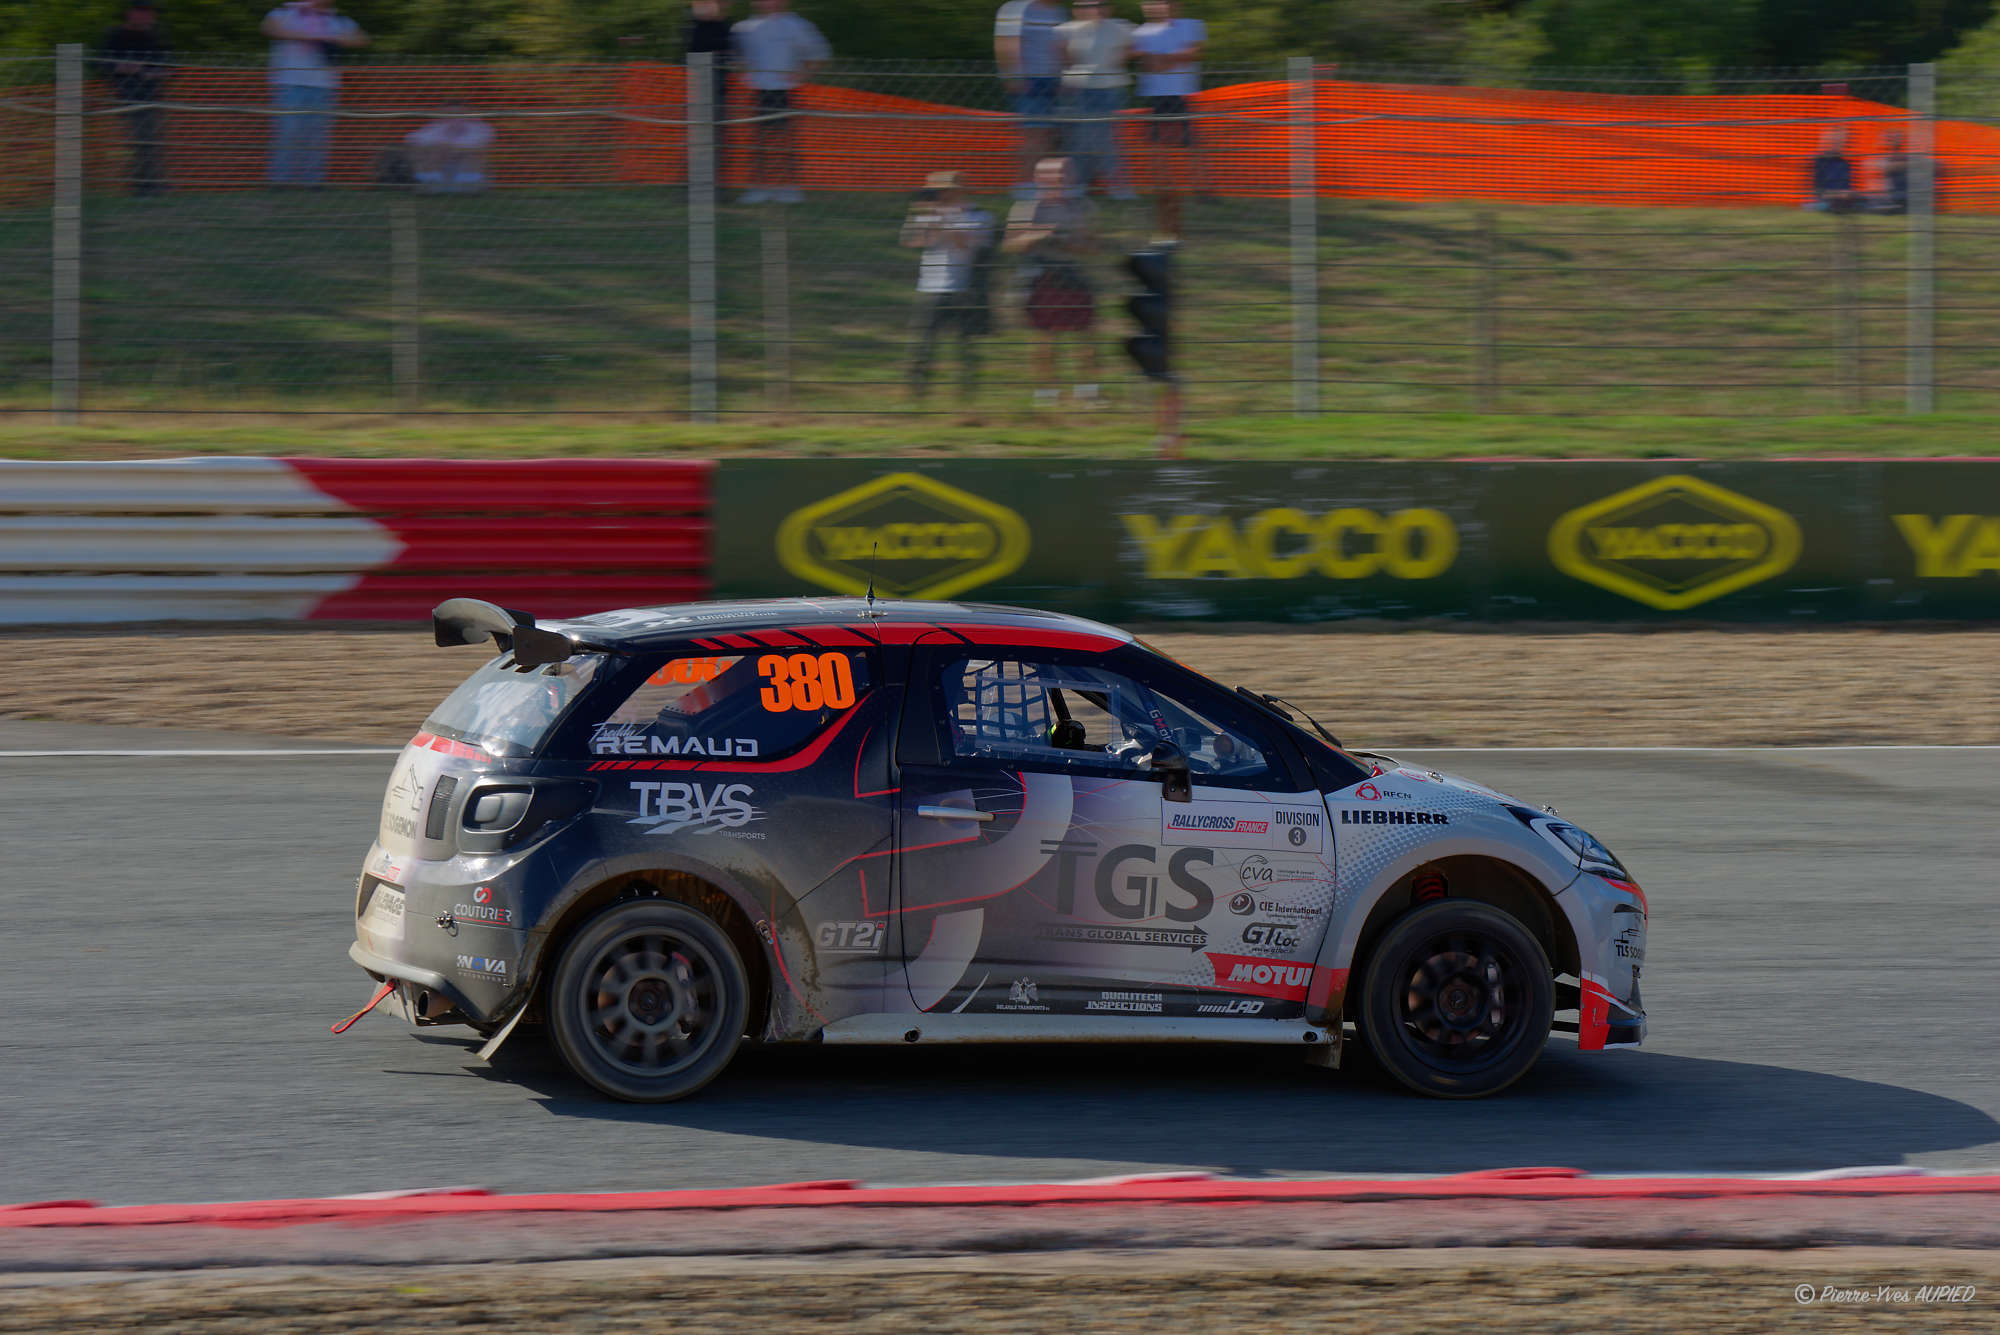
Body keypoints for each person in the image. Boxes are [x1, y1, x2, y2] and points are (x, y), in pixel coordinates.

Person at [1004, 156, 1102, 408]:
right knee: (1042, 340)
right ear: (1038, 179)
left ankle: (1088, 395)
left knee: (1086, 337)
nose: (1058, 180)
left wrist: (1069, 243)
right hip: (1039, 274)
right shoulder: (1026, 208)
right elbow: (1010, 245)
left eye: (1063, 174)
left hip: (1072, 272)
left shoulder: (1082, 207)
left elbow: (1093, 247)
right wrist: (1038, 236)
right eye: (1051, 176)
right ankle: (1046, 397)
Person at [900, 170, 997, 402]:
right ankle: (917, 397)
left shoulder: (979, 215)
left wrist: (943, 220)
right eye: (936, 191)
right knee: (922, 346)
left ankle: (967, 397)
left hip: (963, 289)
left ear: (958, 191)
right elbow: (909, 241)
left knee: (964, 347)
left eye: (944, 191)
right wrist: (922, 215)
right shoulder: (929, 213)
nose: (940, 195)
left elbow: (966, 245)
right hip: (930, 287)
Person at [731, 0, 830, 204]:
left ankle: (789, 188)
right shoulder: (742, 28)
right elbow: (735, 60)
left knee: (786, 141)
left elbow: (819, 53)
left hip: (786, 91)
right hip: (755, 92)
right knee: (758, 142)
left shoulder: (797, 25)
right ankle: (758, 188)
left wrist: (802, 74)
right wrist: (741, 71)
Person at [261, 0, 368, 188]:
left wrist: (331, 38)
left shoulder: (337, 20)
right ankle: (280, 181)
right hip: (290, 83)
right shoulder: (284, 14)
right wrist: (311, 36)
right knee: (288, 133)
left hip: (325, 85)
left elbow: (361, 39)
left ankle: (312, 181)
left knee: (318, 136)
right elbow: (269, 29)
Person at [1131, 0, 1204, 238]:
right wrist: (1170, 59)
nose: (1158, 6)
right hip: (1154, 102)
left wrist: (1159, 60)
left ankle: (1178, 221)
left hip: (1183, 99)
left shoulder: (1192, 25)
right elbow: (1146, 63)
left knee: (1180, 162)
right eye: (1151, 2)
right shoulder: (1138, 32)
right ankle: (1167, 225)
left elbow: (1191, 54)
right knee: (1161, 165)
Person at [1056, 0, 1135, 200]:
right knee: (1079, 141)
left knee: (1109, 140)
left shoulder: (1122, 27)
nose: (1095, 9)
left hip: (1109, 90)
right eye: (1088, 5)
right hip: (1078, 91)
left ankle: (1119, 187)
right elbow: (1064, 59)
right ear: (1077, 9)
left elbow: (1134, 47)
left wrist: (1118, 59)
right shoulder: (1065, 30)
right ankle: (1077, 185)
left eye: (1100, 4)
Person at [95, 1, 170, 197]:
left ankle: (152, 187)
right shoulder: (116, 36)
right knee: (139, 144)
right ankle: (143, 188)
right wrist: (130, 68)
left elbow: (167, 69)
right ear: (130, 13)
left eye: (150, 13)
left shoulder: (154, 38)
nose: (148, 17)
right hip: (125, 99)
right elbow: (104, 65)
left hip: (153, 99)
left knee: (152, 144)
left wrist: (143, 71)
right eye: (143, 12)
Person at [994, 1, 1067, 200]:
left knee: (1052, 136)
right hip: (1030, 81)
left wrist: (1064, 76)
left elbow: (1062, 47)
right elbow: (1005, 45)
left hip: (1055, 80)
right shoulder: (1015, 9)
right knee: (1035, 135)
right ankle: (1024, 184)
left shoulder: (1058, 10)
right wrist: (1013, 76)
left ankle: (1047, 186)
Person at [684, 0, 733, 167]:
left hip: (717, 88)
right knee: (700, 134)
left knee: (714, 135)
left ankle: (711, 173)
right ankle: (698, 172)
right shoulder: (697, 27)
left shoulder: (723, 27)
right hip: (700, 87)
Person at [404, 104, 494, 192]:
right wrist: (440, 147)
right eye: (450, 113)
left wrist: (449, 147)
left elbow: (478, 144)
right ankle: (433, 183)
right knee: (431, 151)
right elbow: (413, 139)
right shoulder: (436, 127)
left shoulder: (479, 128)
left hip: (465, 166)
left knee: (474, 154)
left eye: (459, 114)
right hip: (441, 165)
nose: (454, 118)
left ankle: (467, 185)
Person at [1806, 127, 1858, 213]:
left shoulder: (1845, 164)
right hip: (1823, 201)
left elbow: (1847, 188)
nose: (1842, 145)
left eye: (1843, 142)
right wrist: (1837, 194)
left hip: (1840, 201)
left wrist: (1849, 194)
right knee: (1821, 206)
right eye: (1838, 142)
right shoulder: (1819, 161)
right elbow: (1817, 190)